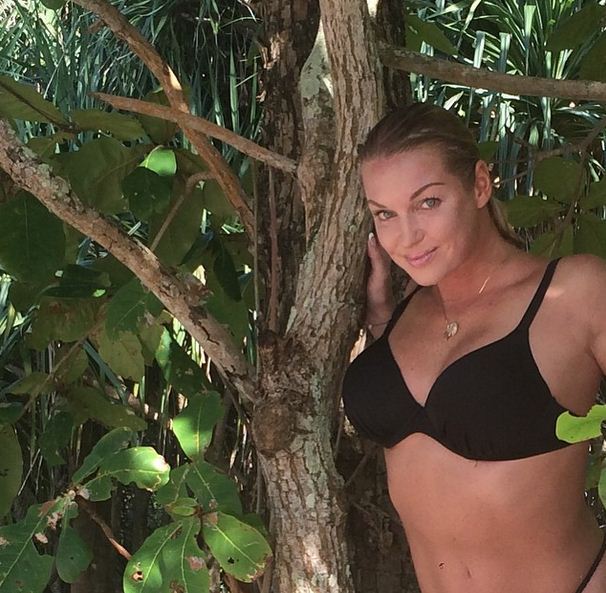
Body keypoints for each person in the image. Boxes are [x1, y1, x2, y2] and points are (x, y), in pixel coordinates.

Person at [342, 103, 606, 593]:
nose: (407, 236)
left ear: (480, 185)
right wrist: (382, 323)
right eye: (385, 214)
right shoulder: (404, 311)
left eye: (428, 202)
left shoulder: (576, 293)